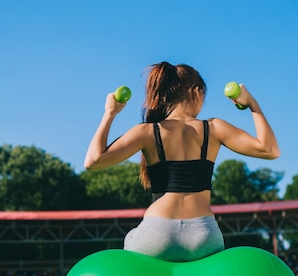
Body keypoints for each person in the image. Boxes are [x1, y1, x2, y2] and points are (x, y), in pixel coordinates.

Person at [84, 62, 280, 262]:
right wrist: (252, 104)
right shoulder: (214, 128)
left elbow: (93, 161)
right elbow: (270, 150)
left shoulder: (148, 131)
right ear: (196, 91)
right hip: (203, 235)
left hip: (156, 233)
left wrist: (110, 113)